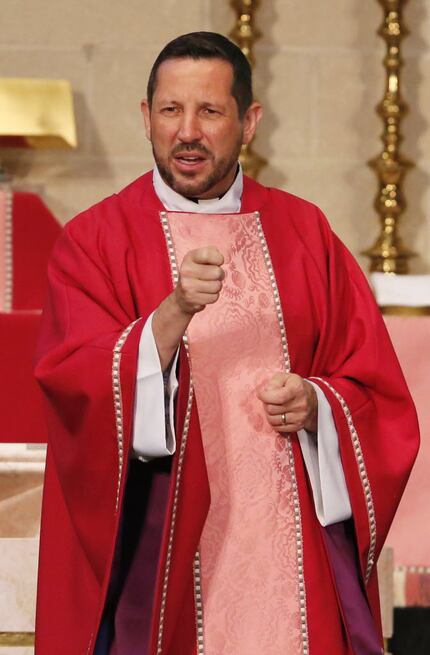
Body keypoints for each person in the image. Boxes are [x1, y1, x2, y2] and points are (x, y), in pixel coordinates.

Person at [34, 32, 419, 655]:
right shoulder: (95, 241)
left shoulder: (305, 234)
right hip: (163, 564)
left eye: (210, 111)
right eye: (170, 110)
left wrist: (317, 405)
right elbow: (72, 387)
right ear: (145, 116)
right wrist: (173, 314)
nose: (188, 131)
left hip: (291, 557)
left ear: (248, 122)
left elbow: (376, 391)